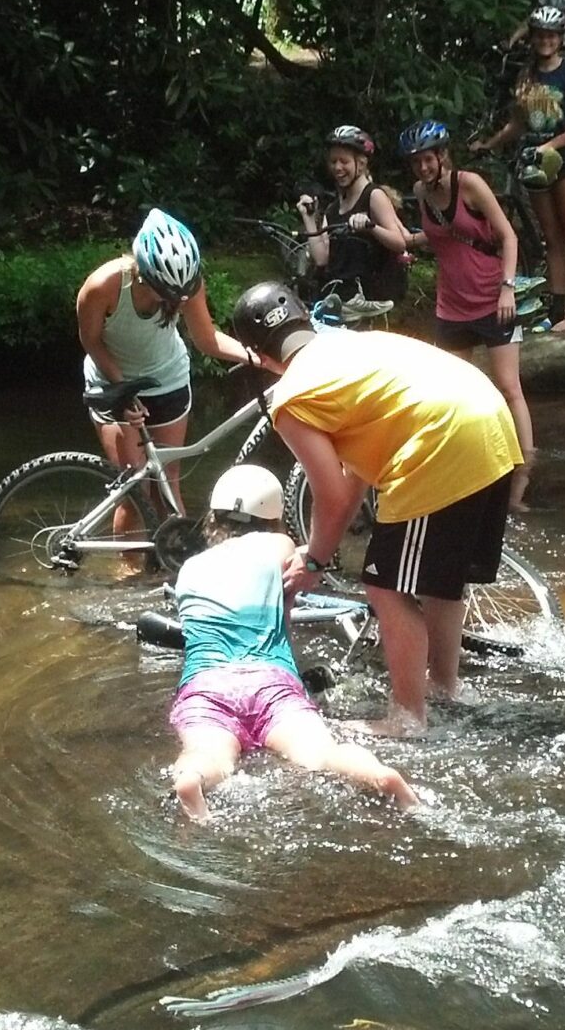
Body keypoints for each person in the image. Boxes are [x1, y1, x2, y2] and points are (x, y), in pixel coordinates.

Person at [229, 280, 524, 735]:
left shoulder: (292, 398)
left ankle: (407, 718)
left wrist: (314, 559)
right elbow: (351, 485)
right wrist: (315, 556)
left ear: (259, 357)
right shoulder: (350, 346)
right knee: (440, 581)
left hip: (443, 438)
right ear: (305, 320)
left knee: (386, 587)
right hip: (490, 419)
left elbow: (327, 494)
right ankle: (445, 686)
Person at [163, 464, 421, 822]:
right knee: (319, 753)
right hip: (270, 680)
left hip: (207, 684)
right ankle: (379, 775)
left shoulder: (189, 568)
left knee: (208, 754)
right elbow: (285, 610)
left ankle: (193, 779)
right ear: (272, 516)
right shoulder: (279, 544)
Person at [77, 209, 264, 528]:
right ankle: (128, 576)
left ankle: (166, 565)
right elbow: (91, 342)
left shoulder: (187, 283)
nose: (173, 299)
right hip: (112, 380)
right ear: (142, 273)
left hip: (167, 380)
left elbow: (207, 340)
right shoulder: (102, 287)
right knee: (133, 488)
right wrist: (123, 390)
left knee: (165, 484)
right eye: (163, 290)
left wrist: (257, 358)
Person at [397, 119, 536, 510]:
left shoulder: (470, 184)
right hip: (451, 305)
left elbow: (508, 236)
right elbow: (439, 235)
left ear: (442, 156)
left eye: (428, 159)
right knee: (453, 394)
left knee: (509, 388)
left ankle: (521, 479)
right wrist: (404, 242)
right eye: (416, 162)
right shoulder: (420, 193)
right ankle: (465, 470)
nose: (423, 168)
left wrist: (508, 288)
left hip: (493, 298)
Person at [482, 6, 565, 333]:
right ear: (532, 38)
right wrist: (490, 143)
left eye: (551, 35)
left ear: (560, 38)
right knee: (551, 238)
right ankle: (557, 308)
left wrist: (553, 144)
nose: (545, 41)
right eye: (540, 35)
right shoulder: (527, 74)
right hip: (534, 163)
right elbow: (519, 122)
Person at [296, 125, 410, 306]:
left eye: (344, 161)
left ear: (361, 164)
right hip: (342, 301)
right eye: (333, 162)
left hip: (371, 301)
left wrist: (370, 227)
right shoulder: (333, 209)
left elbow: (399, 243)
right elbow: (322, 258)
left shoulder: (374, 196)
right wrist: (309, 218)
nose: (337, 167)